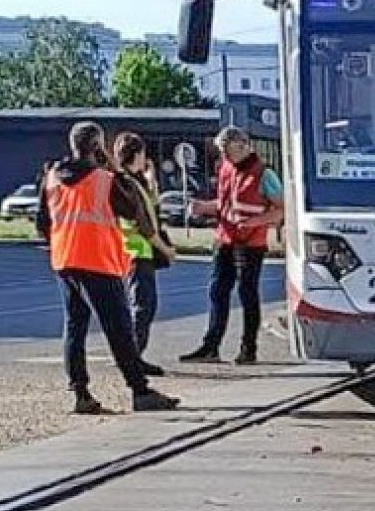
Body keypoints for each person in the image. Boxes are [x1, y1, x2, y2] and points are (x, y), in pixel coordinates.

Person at [35, 122, 179, 414]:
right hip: (97, 261)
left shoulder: (51, 177)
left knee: (75, 326)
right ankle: (140, 391)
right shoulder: (105, 179)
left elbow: (42, 223)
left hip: (65, 260)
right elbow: (133, 209)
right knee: (119, 328)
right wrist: (115, 168)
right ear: (98, 147)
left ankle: (81, 393)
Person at [180, 127, 284, 365]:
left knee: (247, 294)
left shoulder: (264, 175)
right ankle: (211, 347)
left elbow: (281, 209)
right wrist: (204, 207)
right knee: (217, 291)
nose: (224, 157)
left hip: (251, 244)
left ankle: (248, 349)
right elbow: (226, 204)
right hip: (225, 239)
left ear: (242, 146)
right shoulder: (227, 168)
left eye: (227, 151)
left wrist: (254, 222)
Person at [112, 132, 175, 375]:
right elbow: (144, 225)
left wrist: (152, 183)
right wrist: (166, 249)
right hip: (136, 251)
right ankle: (133, 359)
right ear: (137, 155)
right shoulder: (127, 184)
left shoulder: (132, 182)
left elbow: (151, 211)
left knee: (145, 306)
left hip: (139, 251)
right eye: (143, 154)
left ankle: (135, 357)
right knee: (142, 307)